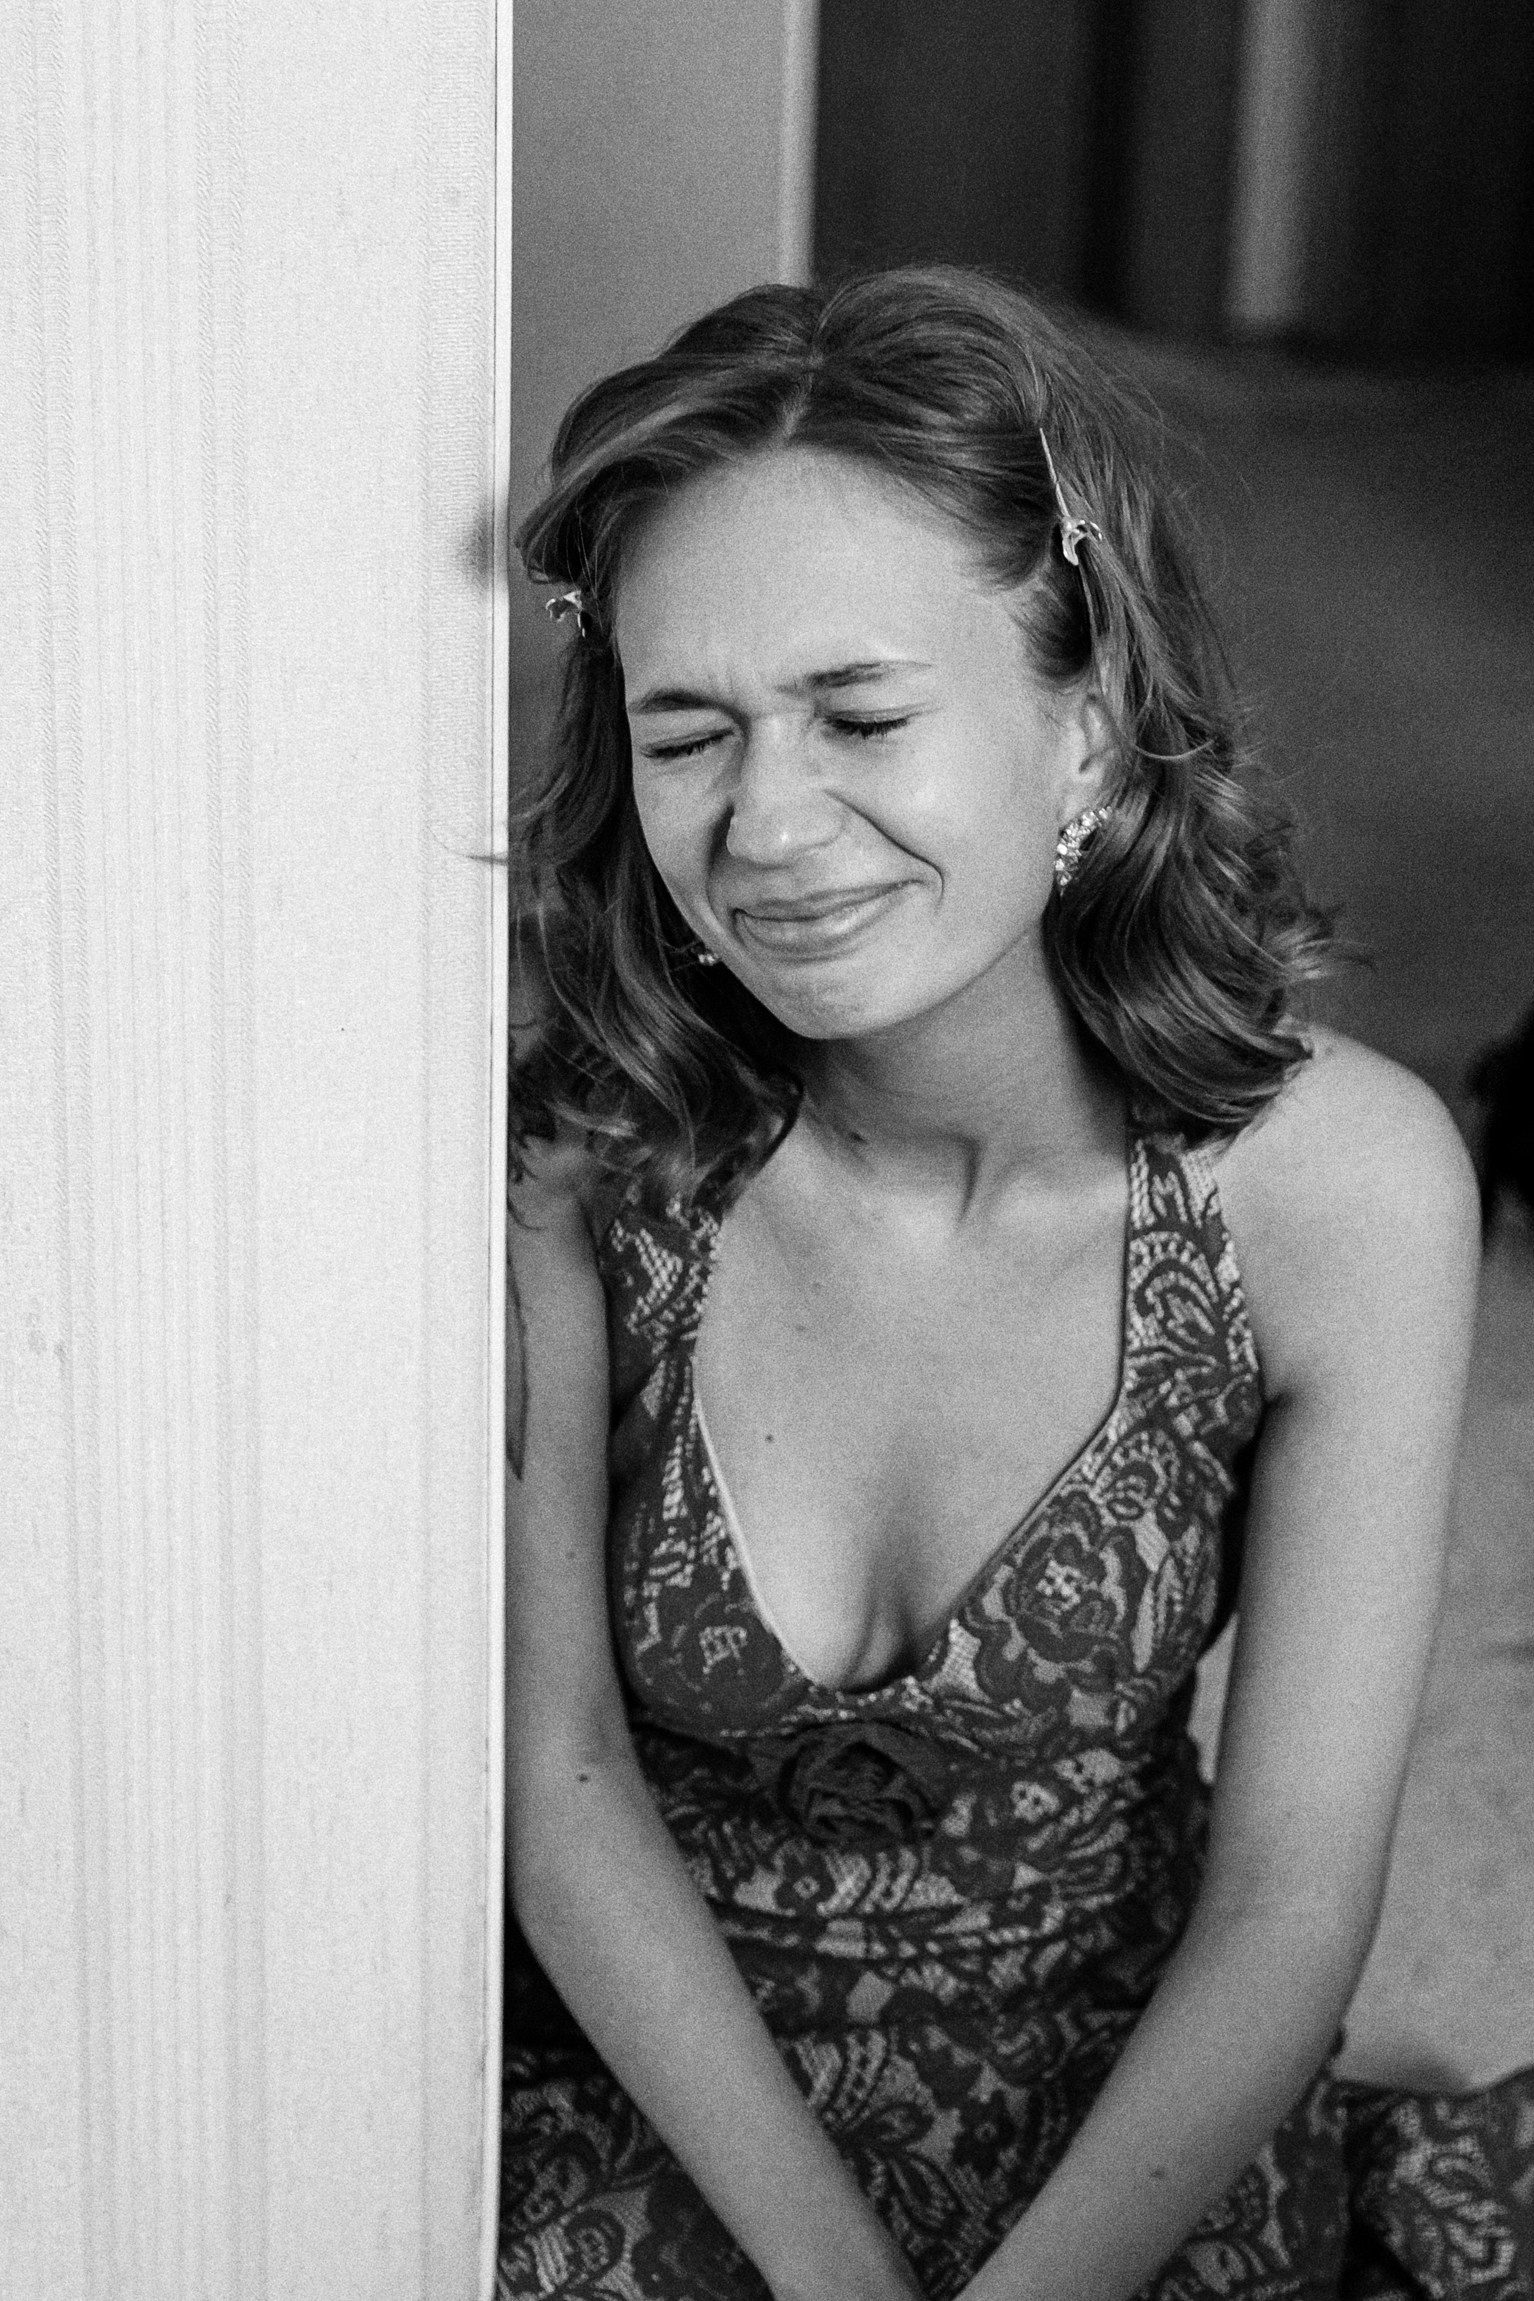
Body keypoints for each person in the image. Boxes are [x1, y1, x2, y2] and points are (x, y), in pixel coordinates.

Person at [497, 269, 1531, 2300]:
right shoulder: (581, 1152)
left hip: (1125, 2120)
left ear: (1084, 726)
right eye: (686, 734)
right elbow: (564, 1788)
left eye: (861, 715)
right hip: (664, 2105)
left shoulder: (1338, 1189)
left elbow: (1289, 1900)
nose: (765, 825)